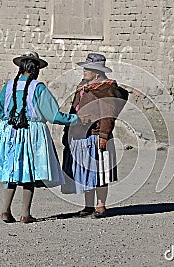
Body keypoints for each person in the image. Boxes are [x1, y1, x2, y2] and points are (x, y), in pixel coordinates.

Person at [0, 51, 85, 223]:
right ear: (36, 69)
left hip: (9, 132)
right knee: (28, 171)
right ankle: (25, 213)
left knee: (12, 170)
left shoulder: (9, 86)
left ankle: (5, 210)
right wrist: (76, 119)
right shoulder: (39, 88)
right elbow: (54, 116)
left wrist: (12, 119)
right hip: (31, 133)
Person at [61, 53, 128, 219]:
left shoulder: (106, 90)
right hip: (82, 136)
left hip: (96, 136)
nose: (84, 70)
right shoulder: (83, 86)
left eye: (88, 68)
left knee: (99, 173)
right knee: (87, 172)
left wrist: (104, 135)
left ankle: (100, 205)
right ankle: (88, 205)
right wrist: (67, 130)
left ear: (97, 72)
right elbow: (74, 109)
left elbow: (108, 115)